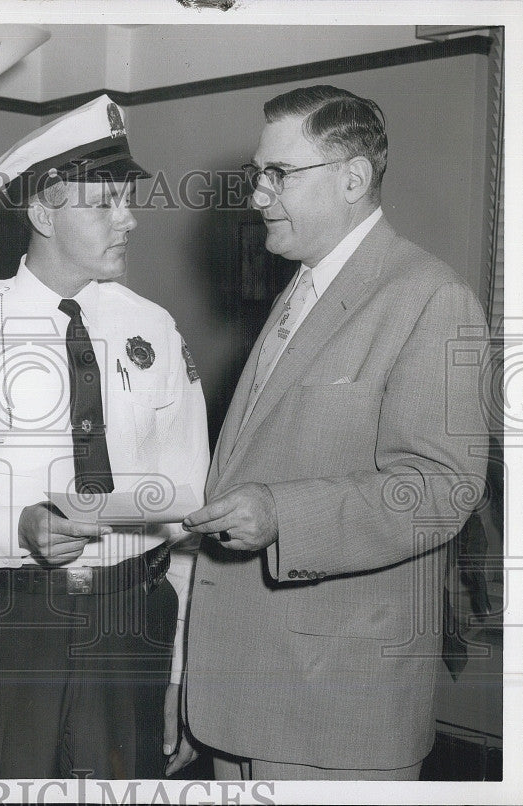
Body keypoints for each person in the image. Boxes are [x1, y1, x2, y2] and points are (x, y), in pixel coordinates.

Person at [0, 94, 210, 779]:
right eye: (103, 203)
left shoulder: (154, 330)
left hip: (129, 626)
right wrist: (15, 527)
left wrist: (176, 670)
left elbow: (189, 506)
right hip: (0, 625)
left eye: (127, 199)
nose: (129, 218)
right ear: (41, 212)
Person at [172, 85, 489, 780]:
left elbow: (440, 488)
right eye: (258, 174)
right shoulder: (301, 290)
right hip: (245, 700)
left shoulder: (430, 299)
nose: (257, 195)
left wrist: (282, 514)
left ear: (352, 178)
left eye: (278, 174)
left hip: (332, 714)